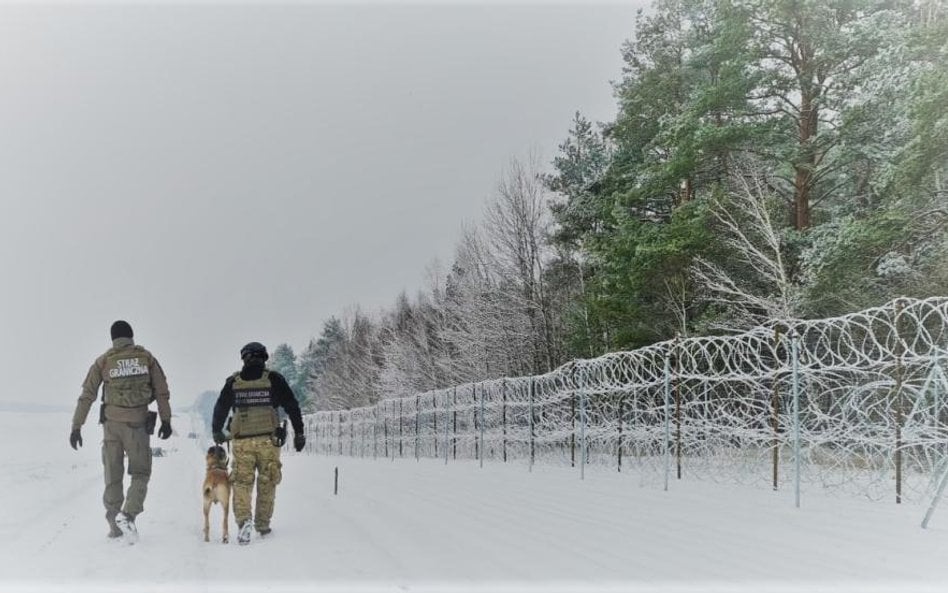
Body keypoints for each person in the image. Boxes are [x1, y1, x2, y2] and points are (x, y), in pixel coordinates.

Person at [69, 320, 172, 541]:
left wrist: (76, 426)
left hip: (111, 427)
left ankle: (115, 527)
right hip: (137, 425)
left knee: (112, 475)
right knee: (141, 473)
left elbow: (87, 395)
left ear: (113, 338)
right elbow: (162, 392)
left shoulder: (104, 360)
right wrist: (166, 420)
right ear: (132, 336)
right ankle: (128, 515)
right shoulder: (147, 358)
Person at [211, 341, 305, 545]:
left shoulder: (233, 382)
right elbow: (292, 405)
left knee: (242, 483)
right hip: (268, 442)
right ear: (264, 357)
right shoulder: (274, 379)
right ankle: (262, 524)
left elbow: (220, 407)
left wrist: (216, 431)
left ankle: (244, 522)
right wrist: (299, 433)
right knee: (267, 481)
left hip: (242, 443)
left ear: (244, 358)